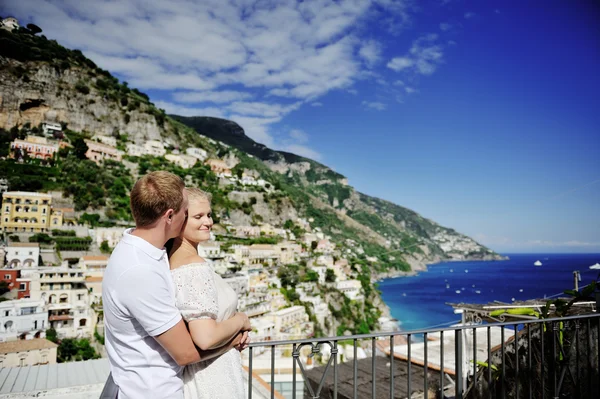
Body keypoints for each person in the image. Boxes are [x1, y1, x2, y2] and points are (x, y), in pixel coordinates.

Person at [102, 172, 248, 399]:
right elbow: (187, 353)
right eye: (186, 212)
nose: (206, 221)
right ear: (170, 216)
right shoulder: (140, 270)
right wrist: (238, 329)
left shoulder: (147, 251)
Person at [168, 187, 251, 398]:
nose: (208, 221)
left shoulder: (176, 260)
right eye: (198, 216)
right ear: (179, 221)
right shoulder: (193, 266)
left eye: (209, 214)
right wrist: (241, 320)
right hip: (212, 378)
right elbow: (205, 337)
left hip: (211, 371)